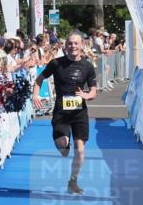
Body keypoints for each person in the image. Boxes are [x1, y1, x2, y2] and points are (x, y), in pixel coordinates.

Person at [32, 32, 97, 195]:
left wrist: (86, 95)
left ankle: (73, 181)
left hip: (79, 112)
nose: (73, 46)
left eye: (76, 43)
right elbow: (39, 79)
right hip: (61, 111)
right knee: (63, 146)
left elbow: (94, 91)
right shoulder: (56, 63)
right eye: (70, 44)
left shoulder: (88, 66)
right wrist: (35, 95)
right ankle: (63, 144)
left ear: (82, 45)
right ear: (65, 46)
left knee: (80, 151)